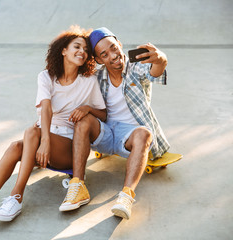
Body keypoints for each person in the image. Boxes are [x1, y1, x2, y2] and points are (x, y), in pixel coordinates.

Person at [0, 25, 106, 222]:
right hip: (45, 143)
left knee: (31, 132)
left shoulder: (88, 81)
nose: (82, 52)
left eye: (86, 50)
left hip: (69, 149)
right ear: (63, 50)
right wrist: (45, 141)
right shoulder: (46, 76)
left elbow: (102, 114)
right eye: (77, 47)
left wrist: (87, 109)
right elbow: (45, 108)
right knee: (16, 146)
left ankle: (16, 197)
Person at [59, 27, 170, 219]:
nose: (113, 55)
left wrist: (161, 59)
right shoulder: (98, 76)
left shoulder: (135, 66)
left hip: (131, 135)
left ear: (119, 44)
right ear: (99, 60)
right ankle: (78, 186)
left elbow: (154, 72)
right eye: (104, 54)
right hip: (106, 132)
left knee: (144, 133)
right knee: (83, 121)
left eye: (113, 47)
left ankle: (126, 196)